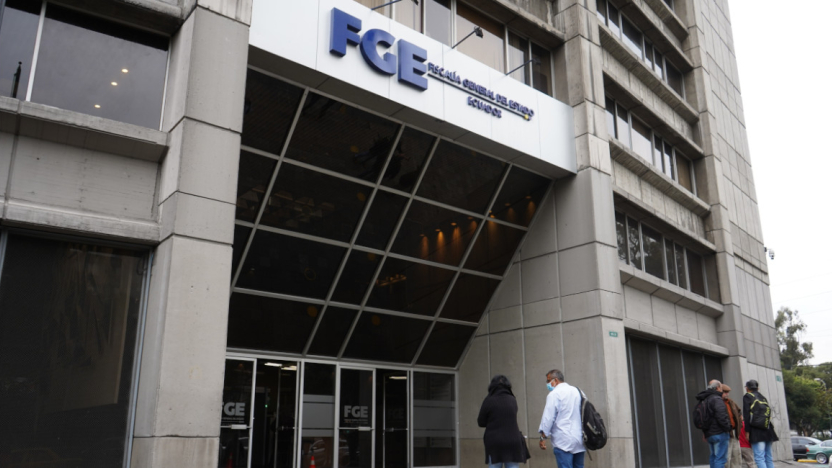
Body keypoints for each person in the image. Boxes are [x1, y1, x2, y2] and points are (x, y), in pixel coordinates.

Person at [477, 375, 530, 468]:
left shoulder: (489, 400)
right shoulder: (512, 399)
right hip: (513, 440)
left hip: (494, 442)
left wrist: (492, 422)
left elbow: (481, 422)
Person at [538, 369, 585, 468]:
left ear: (555, 380)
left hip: (562, 440)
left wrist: (543, 437)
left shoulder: (554, 394)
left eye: (548, 380)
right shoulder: (578, 391)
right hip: (579, 438)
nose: (547, 384)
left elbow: (548, 418)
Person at [695, 379, 732, 468]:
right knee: (720, 459)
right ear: (718, 388)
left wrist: (705, 432)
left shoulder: (705, 399)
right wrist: (728, 428)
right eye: (721, 387)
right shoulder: (717, 399)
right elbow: (721, 416)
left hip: (709, 433)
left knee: (713, 457)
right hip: (720, 432)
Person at [742, 380, 778, 468]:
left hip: (756, 431)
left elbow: (746, 415)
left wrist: (747, 431)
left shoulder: (747, 396)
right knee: (768, 457)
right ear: (757, 388)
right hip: (768, 429)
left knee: (759, 458)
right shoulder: (762, 397)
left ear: (747, 388)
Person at [721, 384, 742, 468]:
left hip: (735, 432)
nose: (727, 394)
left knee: (736, 455)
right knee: (727, 456)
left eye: (728, 392)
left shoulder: (731, 402)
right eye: (725, 392)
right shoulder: (719, 403)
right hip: (725, 432)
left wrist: (740, 423)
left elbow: (739, 412)